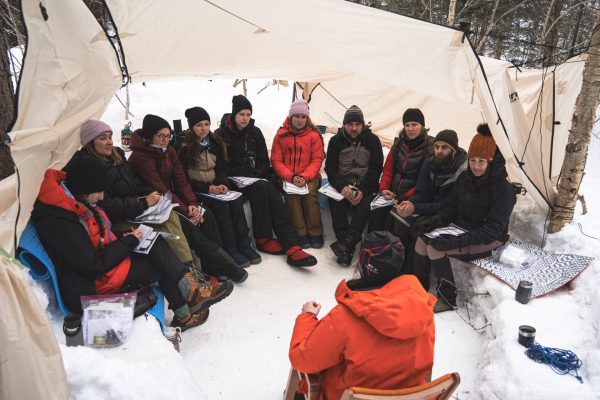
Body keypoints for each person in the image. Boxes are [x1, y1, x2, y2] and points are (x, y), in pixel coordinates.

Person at [30, 157, 232, 331]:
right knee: (159, 265)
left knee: (156, 242)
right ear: (83, 189)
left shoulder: (70, 200)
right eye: (98, 192)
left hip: (101, 262)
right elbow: (92, 265)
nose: (101, 197)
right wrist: (128, 241)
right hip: (89, 283)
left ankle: (190, 295)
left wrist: (124, 236)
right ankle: (187, 305)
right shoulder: (60, 220)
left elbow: (92, 237)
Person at [288, 231, 436, 400]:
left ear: (362, 264)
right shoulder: (422, 307)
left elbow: (304, 360)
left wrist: (307, 317)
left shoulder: (344, 318)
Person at [128, 114, 249, 283]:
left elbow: (181, 180)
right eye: (160, 136)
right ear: (149, 136)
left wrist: (191, 203)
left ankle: (214, 266)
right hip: (155, 204)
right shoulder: (140, 157)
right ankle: (225, 267)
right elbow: (159, 188)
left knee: (206, 215)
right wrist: (186, 210)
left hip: (171, 200)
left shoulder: (168, 151)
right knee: (190, 225)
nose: (165, 140)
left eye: (167, 136)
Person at [412, 123, 517, 312]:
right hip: (462, 229)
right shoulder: (464, 179)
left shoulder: (504, 190)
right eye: (472, 160)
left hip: (490, 239)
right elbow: (450, 208)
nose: (476, 166)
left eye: (482, 161)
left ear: (492, 162)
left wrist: (457, 241)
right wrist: (433, 222)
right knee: (422, 240)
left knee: (435, 249)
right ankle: (419, 287)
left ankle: (447, 298)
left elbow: (493, 229)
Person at [215, 95, 317, 268]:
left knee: (266, 187)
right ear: (234, 114)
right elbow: (220, 166)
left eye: (248, 114)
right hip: (232, 180)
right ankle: (266, 238)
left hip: (253, 178)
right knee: (263, 187)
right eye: (242, 114)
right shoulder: (221, 135)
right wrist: (235, 177)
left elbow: (264, 161)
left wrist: (258, 172)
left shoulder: (255, 132)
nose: (245, 118)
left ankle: (291, 246)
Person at [179, 106, 261, 268]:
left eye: (207, 124)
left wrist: (223, 184)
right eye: (199, 125)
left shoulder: (215, 142)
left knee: (236, 201)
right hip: (198, 190)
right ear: (191, 127)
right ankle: (230, 247)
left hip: (215, 188)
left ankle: (243, 243)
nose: (204, 129)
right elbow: (183, 178)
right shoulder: (185, 147)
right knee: (220, 207)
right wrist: (206, 188)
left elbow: (222, 168)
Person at [324, 105, 383, 266]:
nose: (354, 128)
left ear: (363, 125)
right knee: (334, 201)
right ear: (344, 125)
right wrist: (342, 186)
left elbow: (376, 168)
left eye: (358, 124)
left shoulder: (372, 140)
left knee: (365, 205)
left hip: (365, 185)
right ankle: (347, 246)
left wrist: (363, 190)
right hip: (343, 183)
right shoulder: (336, 141)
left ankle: (345, 246)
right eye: (350, 124)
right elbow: (330, 168)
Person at [368, 108, 434, 233]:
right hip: (393, 193)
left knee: (394, 219)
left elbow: (423, 182)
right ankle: (371, 248)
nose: (410, 129)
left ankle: (393, 250)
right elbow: (388, 170)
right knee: (375, 214)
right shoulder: (398, 144)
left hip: (412, 196)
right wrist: (384, 189)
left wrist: (403, 197)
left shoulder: (429, 149)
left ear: (422, 126)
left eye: (414, 124)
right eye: (407, 125)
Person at [271, 100, 325, 249]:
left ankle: (315, 232)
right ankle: (300, 233)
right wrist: (291, 177)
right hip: (288, 177)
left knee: (310, 195)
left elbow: (317, 159)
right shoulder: (281, 135)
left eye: (303, 117)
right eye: (297, 116)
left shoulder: (314, 136)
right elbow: (276, 160)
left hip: (310, 176)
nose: (300, 120)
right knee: (292, 197)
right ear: (290, 117)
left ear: (307, 118)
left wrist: (305, 177)